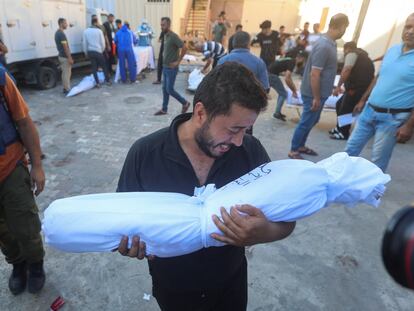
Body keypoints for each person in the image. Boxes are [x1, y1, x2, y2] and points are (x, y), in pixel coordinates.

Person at [116, 62, 295, 311]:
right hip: (173, 290)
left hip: (230, 286)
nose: (240, 141)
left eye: (246, 129)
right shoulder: (145, 154)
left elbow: (288, 221)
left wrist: (264, 232)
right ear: (200, 113)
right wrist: (127, 245)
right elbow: (118, 224)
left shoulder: (251, 153)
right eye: (234, 129)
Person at [345, 13, 414, 172]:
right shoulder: (392, 50)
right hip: (369, 110)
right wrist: (363, 100)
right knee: (349, 151)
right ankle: (340, 183)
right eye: (408, 26)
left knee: (377, 163)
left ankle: (373, 193)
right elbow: (378, 77)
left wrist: (409, 126)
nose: (410, 31)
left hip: (392, 118)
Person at [0, 67, 46, 295]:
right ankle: (18, 265)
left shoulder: (1, 79)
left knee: (26, 226)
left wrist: (37, 166)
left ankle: (36, 265)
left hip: (10, 170)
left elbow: (25, 122)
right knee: (3, 232)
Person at [288, 14, 349, 159]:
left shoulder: (329, 43)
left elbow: (325, 71)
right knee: (306, 122)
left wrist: (331, 88)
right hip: (313, 93)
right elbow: (314, 74)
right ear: (339, 27)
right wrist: (316, 97)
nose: (344, 31)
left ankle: (300, 145)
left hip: (320, 93)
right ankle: (293, 150)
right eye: (345, 28)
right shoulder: (324, 45)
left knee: (312, 120)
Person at [329, 41, 374, 140]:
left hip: (357, 88)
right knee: (339, 105)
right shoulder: (362, 56)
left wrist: (338, 86)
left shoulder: (352, 54)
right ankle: (339, 128)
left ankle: (344, 133)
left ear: (347, 49)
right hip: (360, 87)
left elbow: (347, 70)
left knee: (346, 109)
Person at [154, 17, 190, 116]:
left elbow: (185, 47)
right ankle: (164, 109)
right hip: (165, 67)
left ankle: (185, 103)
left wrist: (178, 62)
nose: (161, 27)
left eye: (163, 25)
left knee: (169, 89)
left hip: (171, 68)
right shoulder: (165, 35)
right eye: (161, 25)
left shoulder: (173, 36)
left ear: (168, 25)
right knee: (164, 88)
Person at [268, 51, 305, 121]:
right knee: (283, 93)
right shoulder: (292, 63)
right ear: (301, 59)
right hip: (271, 75)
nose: (303, 64)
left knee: (282, 92)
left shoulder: (290, 59)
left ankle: (277, 112)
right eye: (304, 62)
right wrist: (294, 91)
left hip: (269, 73)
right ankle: (277, 113)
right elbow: (287, 78)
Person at [83, 17, 111, 87]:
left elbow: (84, 43)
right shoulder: (99, 31)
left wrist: (85, 52)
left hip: (90, 51)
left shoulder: (86, 31)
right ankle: (107, 81)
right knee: (104, 66)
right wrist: (101, 50)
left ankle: (97, 83)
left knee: (94, 68)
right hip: (98, 51)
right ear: (96, 22)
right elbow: (102, 43)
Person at [55, 18, 73, 94]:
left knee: (64, 73)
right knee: (67, 73)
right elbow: (65, 47)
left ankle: (65, 88)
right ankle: (67, 89)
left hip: (61, 56)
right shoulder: (61, 34)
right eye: (65, 23)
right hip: (64, 57)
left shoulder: (57, 33)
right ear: (61, 24)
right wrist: (69, 58)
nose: (67, 24)